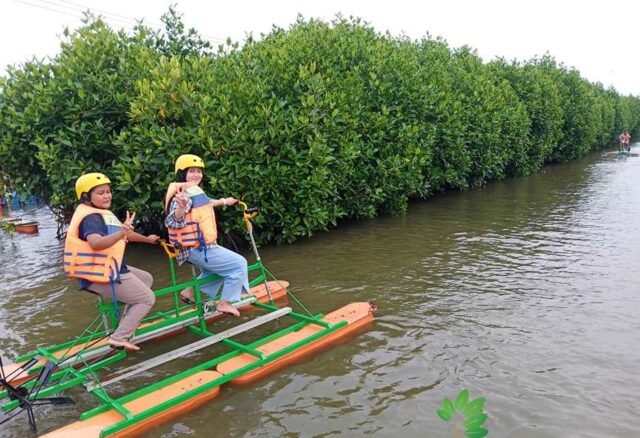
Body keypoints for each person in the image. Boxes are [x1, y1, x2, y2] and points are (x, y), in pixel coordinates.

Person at [64, 172, 159, 351]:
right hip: (98, 274)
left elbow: (126, 234)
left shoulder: (102, 213)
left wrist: (148, 239)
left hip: (108, 267)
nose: (107, 195)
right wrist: (121, 233)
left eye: (108, 191)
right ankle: (119, 337)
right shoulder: (91, 218)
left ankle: (127, 324)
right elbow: (96, 243)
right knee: (147, 299)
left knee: (146, 279)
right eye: (101, 193)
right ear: (86, 196)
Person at [164, 154, 249, 317]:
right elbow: (172, 221)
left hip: (200, 247)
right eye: (192, 171)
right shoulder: (183, 196)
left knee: (217, 271)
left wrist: (224, 201)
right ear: (182, 174)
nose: (196, 175)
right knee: (239, 264)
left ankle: (189, 292)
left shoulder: (193, 191)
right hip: (197, 249)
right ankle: (225, 303)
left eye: (199, 171)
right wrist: (181, 208)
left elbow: (208, 202)